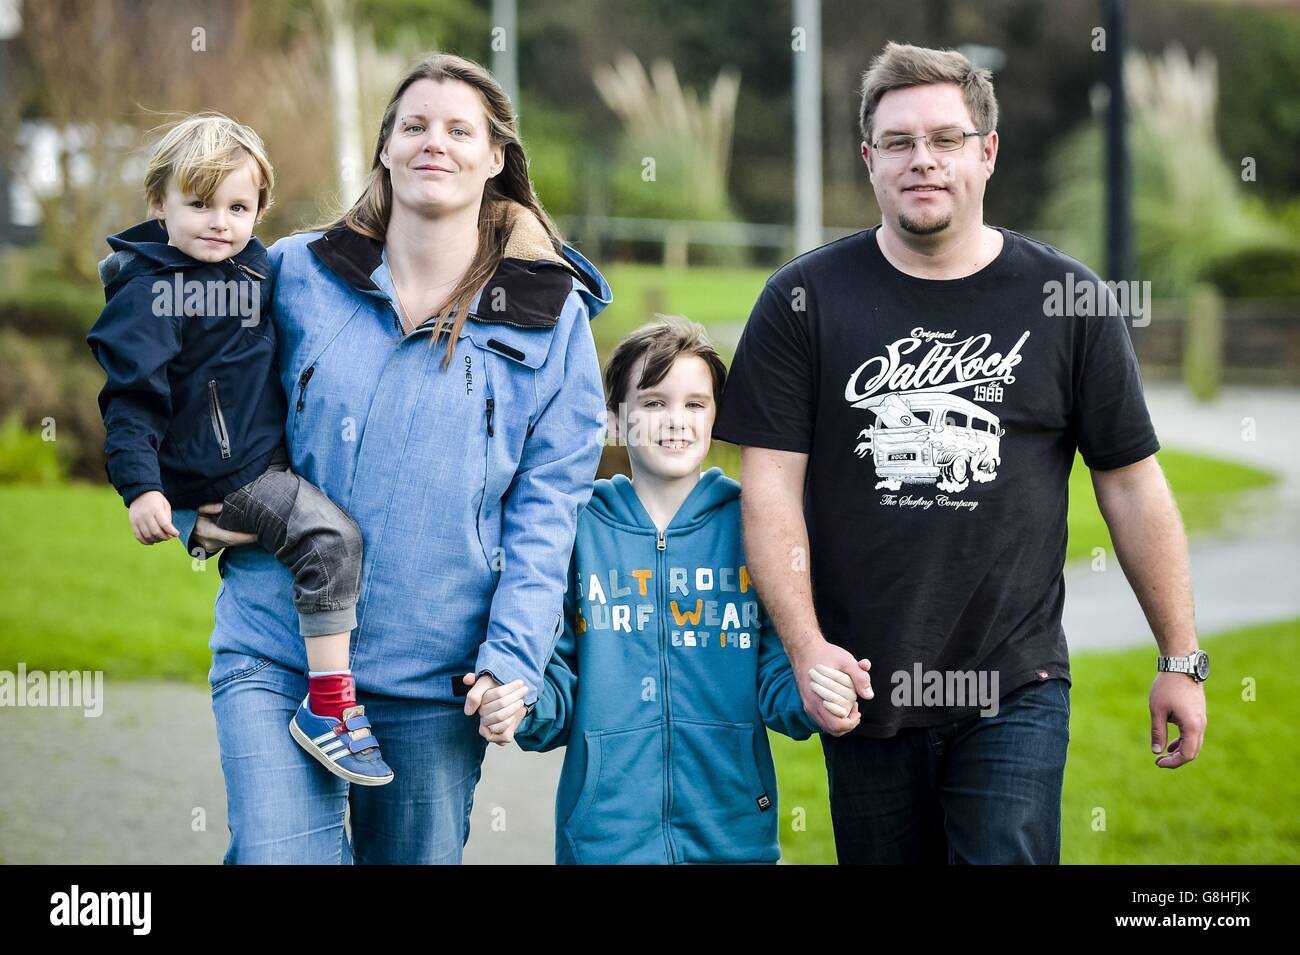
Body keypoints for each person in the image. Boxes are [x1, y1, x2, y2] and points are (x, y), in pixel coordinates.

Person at [713, 42, 1206, 864]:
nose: (923, 161)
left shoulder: (1069, 300)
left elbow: (1130, 484)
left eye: (945, 139)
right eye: (899, 143)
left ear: (987, 151)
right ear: (869, 160)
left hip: (1014, 680)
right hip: (864, 679)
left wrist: (1181, 658)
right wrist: (806, 648)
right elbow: (769, 489)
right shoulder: (804, 301)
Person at [170, 53, 611, 863]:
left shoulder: (553, 320)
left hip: (434, 679)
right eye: (414, 125)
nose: (432, 142)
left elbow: (549, 510)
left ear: (496, 158)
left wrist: (511, 657)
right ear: (384, 148)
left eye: (458, 130)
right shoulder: (296, 272)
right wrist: (177, 497)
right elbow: (189, 382)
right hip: (279, 646)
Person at [87, 113, 393, 787]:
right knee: (331, 538)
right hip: (229, 473)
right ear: (157, 206)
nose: (219, 222)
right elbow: (131, 402)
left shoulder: (256, 266)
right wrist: (144, 489)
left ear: (259, 208)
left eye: (238, 206)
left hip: (262, 458)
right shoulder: (153, 292)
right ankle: (330, 708)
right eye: (198, 204)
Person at [514, 316, 859, 864]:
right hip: (605, 843)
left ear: (717, 416)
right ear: (615, 419)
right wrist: (520, 702)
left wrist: (816, 697)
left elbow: (777, 674)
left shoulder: (752, 529)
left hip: (733, 837)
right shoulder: (577, 529)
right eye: (653, 403)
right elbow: (555, 681)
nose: (676, 421)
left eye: (695, 404)